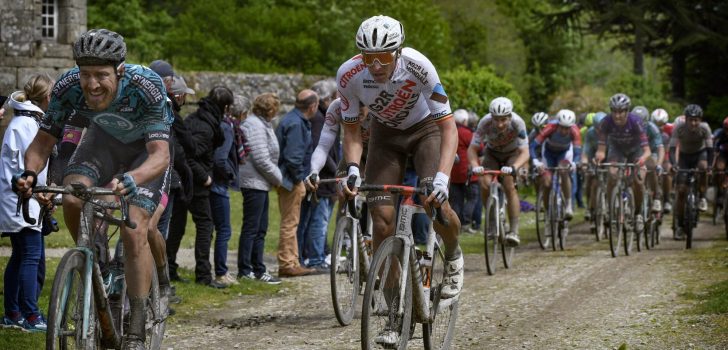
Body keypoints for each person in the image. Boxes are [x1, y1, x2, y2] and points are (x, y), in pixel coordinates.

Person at [15, 29, 172, 348]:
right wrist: (30, 173)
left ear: (120, 71)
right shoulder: (68, 86)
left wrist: (134, 178)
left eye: (101, 74)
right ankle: (92, 256)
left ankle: (137, 328)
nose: (92, 84)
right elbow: (43, 142)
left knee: (133, 232)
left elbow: (160, 156)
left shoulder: (146, 86)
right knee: (73, 196)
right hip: (102, 145)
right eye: (85, 74)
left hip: (145, 152)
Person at [337, 16, 463, 325]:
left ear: (399, 50)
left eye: (384, 56)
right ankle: (393, 311)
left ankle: (454, 253)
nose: (376, 65)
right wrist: (353, 168)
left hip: (427, 132)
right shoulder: (348, 75)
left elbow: (449, 128)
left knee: (434, 201)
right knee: (381, 224)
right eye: (368, 57)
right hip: (385, 136)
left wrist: (443, 180)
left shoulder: (420, 66)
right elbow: (352, 132)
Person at [1, 74, 55, 332]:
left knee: (21, 255)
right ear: (47, 97)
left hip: (27, 200)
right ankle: (30, 316)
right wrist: (36, 194)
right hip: (21, 201)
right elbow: (21, 170)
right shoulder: (24, 125)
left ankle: (13, 312)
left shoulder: (28, 122)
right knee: (30, 256)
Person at [185, 86, 234, 288]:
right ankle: (204, 275)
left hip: (187, 180)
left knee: (179, 226)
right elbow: (191, 154)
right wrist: (205, 177)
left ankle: (170, 269)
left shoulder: (197, 117)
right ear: (225, 107)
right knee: (206, 226)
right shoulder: (206, 128)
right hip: (196, 183)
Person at [467, 97, 530, 246]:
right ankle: (491, 223)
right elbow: (472, 149)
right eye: (496, 119)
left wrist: (515, 168)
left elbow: (525, 152)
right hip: (492, 153)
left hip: (512, 154)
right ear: (491, 117)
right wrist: (475, 165)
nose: (500, 124)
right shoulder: (484, 122)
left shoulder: (518, 123)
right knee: (484, 182)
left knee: (509, 185)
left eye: (503, 120)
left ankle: (514, 230)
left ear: (510, 116)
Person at [238, 93, 282, 284]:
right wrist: (279, 178)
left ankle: (258, 268)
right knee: (252, 228)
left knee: (260, 228)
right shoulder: (255, 125)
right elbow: (261, 158)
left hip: (261, 183)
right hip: (254, 182)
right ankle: (246, 269)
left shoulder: (262, 123)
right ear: (270, 110)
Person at [275, 89, 319, 278]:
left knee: (292, 222)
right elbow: (293, 158)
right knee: (290, 223)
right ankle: (287, 263)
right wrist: (300, 180)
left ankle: (293, 261)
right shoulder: (296, 124)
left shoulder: (292, 119)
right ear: (313, 107)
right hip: (290, 180)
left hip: (289, 178)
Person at [297, 80, 340, 272]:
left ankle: (314, 256)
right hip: (322, 180)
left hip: (324, 178)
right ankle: (315, 258)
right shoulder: (319, 120)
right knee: (319, 221)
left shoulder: (321, 118)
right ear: (328, 98)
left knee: (317, 220)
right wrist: (337, 170)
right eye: (336, 96)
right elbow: (320, 148)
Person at [594, 93, 651, 234]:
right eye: (614, 111)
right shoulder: (605, 122)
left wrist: (643, 159)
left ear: (627, 111)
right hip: (617, 149)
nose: (617, 115)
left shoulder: (636, 122)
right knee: (612, 173)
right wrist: (600, 156)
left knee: (638, 181)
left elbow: (647, 150)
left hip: (635, 150)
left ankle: (638, 213)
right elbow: (601, 149)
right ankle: (610, 205)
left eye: (621, 112)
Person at [209, 94, 245, 286]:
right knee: (224, 230)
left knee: (218, 229)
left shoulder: (224, 125)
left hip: (216, 183)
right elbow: (221, 158)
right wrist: (231, 175)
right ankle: (221, 272)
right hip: (218, 185)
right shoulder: (227, 128)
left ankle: (219, 271)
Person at [670, 104, 712, 239]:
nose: (693, 123)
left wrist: (710, 166)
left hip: (700, 154)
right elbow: (671, 149)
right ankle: (680, 224)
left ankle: (702, 195)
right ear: (686, 119)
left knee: (703, 167)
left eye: (696, 120)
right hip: (684, 156)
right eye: (690, 120)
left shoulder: (705, 128)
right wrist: (674, 164)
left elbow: (710, 150)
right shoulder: (679, 128)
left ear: (700, 120)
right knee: (681, 190)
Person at [531, 109, 582, 220]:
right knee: (546, 182)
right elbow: (533, 146)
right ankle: (547, 210)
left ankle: (568, 206)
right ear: (557, 124)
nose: (564, 131)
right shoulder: (550, 128)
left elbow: (578, 151)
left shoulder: (575, 131)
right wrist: (535, 161)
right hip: (548, 154)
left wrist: (574, 163)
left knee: (564, 171)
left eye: (567, 128)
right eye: (562, 127)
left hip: (564, 154)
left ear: (571, 126)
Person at [449, 109, 479, 233]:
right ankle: (466, 222)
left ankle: (457, 226)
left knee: (456, 201)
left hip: (453, 173)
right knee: (472, 198)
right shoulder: (467, 133)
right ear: (465, 121)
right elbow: (479, 147)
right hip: (467, 173)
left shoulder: (449, 131)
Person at [632, 106, 665, 213]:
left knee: (653, 166)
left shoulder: (653, 128)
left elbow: (660, 148)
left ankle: (656, 197)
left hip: (651, 152)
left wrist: (659, 164)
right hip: (636, 152)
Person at [580, 112, 606, 221]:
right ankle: (589, 206)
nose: (600, 131)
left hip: (609, 155)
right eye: (597, 129)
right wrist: (584, 164)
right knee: (591, 179)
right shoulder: (590, 133)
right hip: (593, 156)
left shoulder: (612, 131)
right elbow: (586, 151)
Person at [652, 108, 673, 213]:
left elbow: (667, 152)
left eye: (661, 124)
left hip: (664, 154)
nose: (659, 127)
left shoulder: (668, 132)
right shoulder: (648, 129)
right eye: (656, 124)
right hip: (652, 155)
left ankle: (667, 199)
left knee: (667, 170)